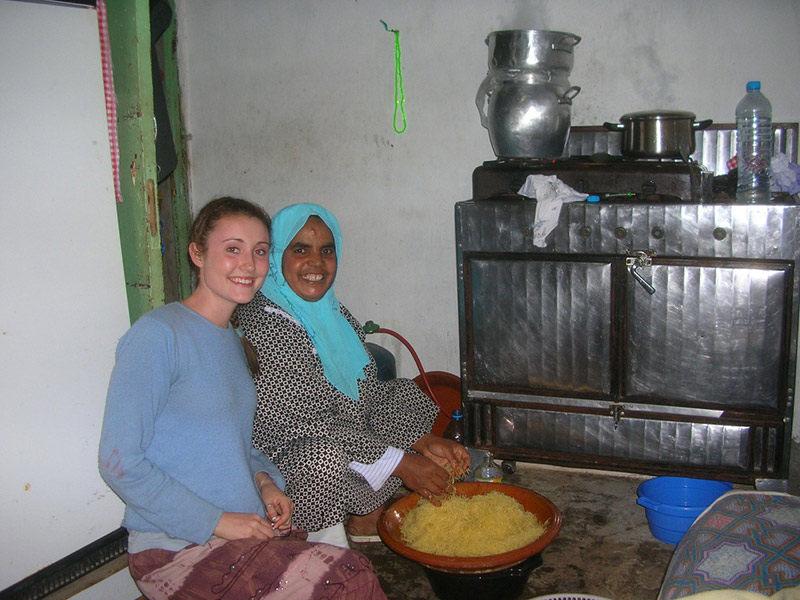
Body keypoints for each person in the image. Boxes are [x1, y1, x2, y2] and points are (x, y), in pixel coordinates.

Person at [98, 197, 387, 600]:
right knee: (346, 575)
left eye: (260, 251)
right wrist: (217, 521)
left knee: (339, 559)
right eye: (232, 249)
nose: (249, 265)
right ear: (197, 254)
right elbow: (119, 463)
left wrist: (266, 482)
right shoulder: (159, 335)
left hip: (244, 529)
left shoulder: (233, 342)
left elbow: (239, 444)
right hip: (176, 547)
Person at [238, 202, 471, 548]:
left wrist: (423, 441)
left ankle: (364, 517)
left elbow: (368, 393)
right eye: (300, 249)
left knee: (401, 394)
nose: (316, 262)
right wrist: (402, 461)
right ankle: (319, 542)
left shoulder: (332, 312)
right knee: (322, 459)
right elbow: (310, 423)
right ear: (276, 257)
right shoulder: (265, 321)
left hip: (331, 425)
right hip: (279, 454)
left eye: (326, 250)